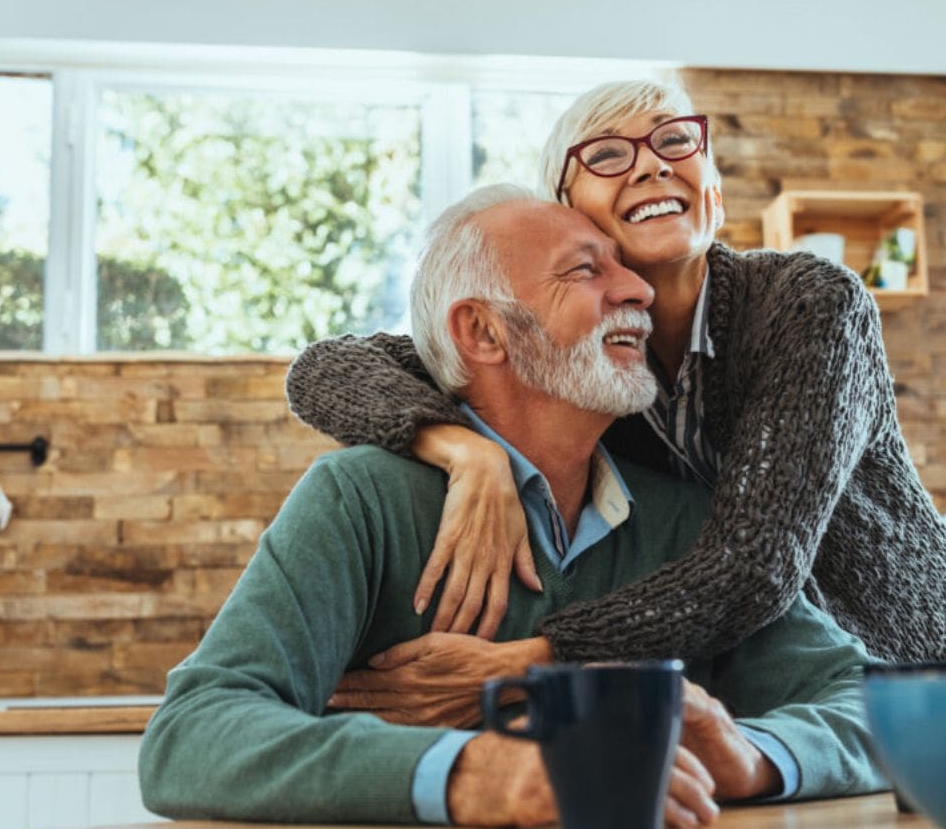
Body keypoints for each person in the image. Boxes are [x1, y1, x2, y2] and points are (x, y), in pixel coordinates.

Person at [139, 186, 885, 829]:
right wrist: (474, 773)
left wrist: (753, 756)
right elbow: (192, 735)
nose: (639, 292)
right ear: (483, 331)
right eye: (586, 271)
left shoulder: (687, 522)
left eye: (624, 268)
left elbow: (874, 705)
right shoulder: (360, 500)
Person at [286, 78, 946, 718]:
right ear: (566, 210)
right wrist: (462, 451)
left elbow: (755, 566)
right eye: (606, 155)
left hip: (901, 680)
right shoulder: (573, 355)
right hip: (746, 697)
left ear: (711, 187)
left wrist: (524, 663)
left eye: (676, 143)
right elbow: (326, 368)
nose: (653, 166)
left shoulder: (809, 303)